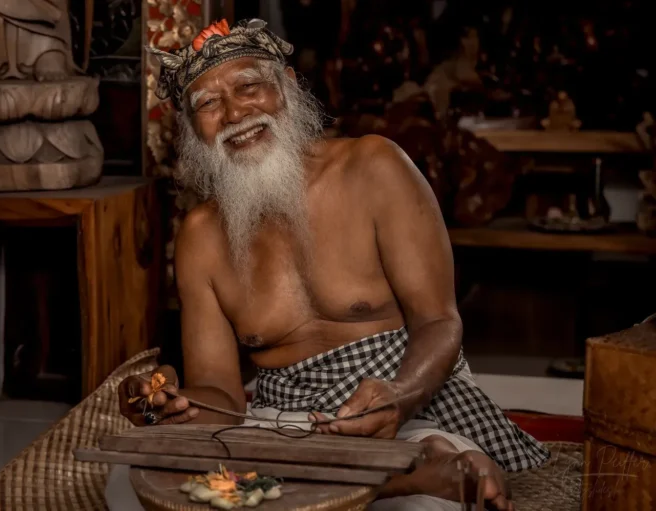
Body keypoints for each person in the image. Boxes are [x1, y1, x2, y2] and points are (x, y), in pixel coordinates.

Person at [111, 18, 549, 510]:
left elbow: (440, 320)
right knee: (150, 480)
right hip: (283, 427)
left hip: (411, 403)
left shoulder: (374, 166)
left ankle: (423, 464)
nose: (234, 112)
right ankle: (406, 472)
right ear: (191, 130)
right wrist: (172, 407)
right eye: (207, 104)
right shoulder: (199, 237)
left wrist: (399, 396)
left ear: (288, 86)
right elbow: (223, 398)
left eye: (249, 86)